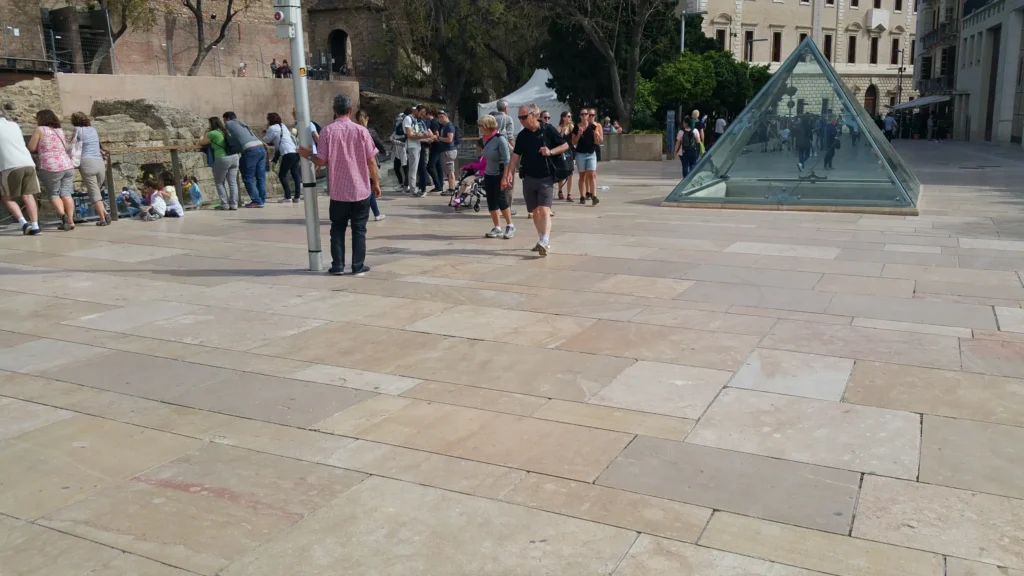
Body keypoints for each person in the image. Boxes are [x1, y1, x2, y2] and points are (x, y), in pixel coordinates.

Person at [299, 94, 380, 276]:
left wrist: (308, 155)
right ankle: (358, 266)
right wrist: (376, 183)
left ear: (334, 111)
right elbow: (371, 161)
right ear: (351, 111)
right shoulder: (361, 131)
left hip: (339, 192)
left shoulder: (327, 132)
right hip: (361, 189)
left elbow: (321, 161)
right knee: (359, 229)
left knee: (337, 229)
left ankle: (338, 266)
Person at [503, 103, 568, 256]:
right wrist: (509, 174)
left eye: (524, 117)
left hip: (546, 177)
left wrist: (550, 151)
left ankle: (545, 240)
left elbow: (565, 145)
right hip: (528, 177)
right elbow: (515, 157)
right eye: (519, 117)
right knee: (534, 211)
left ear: (533, 115)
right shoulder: (523, 135)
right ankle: (542, 239)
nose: (521, 120)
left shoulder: (548, 129)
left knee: (544, 209)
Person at [27, 109, 75, 230]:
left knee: (54, 193)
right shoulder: (59, 130)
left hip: (51, 166)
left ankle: (63, 217)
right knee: (66, 193)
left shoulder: (40, 130)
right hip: (67, 164)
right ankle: (71, 221)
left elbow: (31, 147)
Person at [0, 111, 41, 235]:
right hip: (27, 162)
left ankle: (23, 223)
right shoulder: (14, 125)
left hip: (9, 165)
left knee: (6, 197)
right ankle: (35, 226)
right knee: (28, 195)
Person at [70, 111, 111, 226]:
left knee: (94, 193)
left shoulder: (77, 130)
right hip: (99, 162)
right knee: (96, 191)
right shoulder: (94, 130)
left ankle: (103, 218)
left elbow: (73, 146)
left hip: (87, 162)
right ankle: (104, 212)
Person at [478, 115, 514, 239]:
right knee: (491, 201)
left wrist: (505, 177)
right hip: (488, 174)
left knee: (501, 200)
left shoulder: (500, 139)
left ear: (488, 126)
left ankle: (510, 225)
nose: (480, 128)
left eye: (481, 126)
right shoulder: (485, 139)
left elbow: (507, 160)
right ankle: (497, 227)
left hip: (499, 173)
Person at [222, 111, 267, 207]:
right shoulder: (242, 122)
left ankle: (256, 201)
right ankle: (261, 200)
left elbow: (228, 138)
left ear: (227, 118)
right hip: (261, 147)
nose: (224, 122)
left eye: (224, 120)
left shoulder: (228, 124)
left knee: (248, 177)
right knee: (260, 177)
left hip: (250, 150)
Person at [199, 117, 239, 210]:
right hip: (234, 157)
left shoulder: (212, 133)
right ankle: (234, 204)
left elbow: (202, 142)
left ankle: (225, 204)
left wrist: (204, 133)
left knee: (219, 182)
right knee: (232, 183)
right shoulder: (225, 131)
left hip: (222, 158)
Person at [354, 109, 386, 222]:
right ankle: (376, 214)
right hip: (369, 162)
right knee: (371, 188)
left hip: (356, 164)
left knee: (359, 189)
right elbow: (378, 143)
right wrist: (384, 152)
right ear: (367, 118)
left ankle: (373, 213)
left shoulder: (353, 131)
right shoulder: (369, 131)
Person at [264, 112, 302, 203]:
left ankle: (288, 196)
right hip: (295, 152)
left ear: (270, 120)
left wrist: (266, 131)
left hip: (287, 153)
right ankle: (297, 196)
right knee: (295, 174)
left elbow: (266, 139)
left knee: (282, 175)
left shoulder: (272, 128)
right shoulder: (283, 125)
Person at [572, 108, 603, 206]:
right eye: (583, 114)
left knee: (592, 174)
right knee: (582, 176)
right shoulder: (576, 128)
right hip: (580, 154)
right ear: (580, 116)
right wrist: (579, 134)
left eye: (587, 114)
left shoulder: (593, 126)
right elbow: (573, 142)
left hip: (591, 153)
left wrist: (597, 136)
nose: (585, 116)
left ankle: (594, 196)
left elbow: (599, 141)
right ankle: (582, 196)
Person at [402, 105, 430, 196]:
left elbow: (416, 134)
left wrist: (426, 138)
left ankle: (414, 188)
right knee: (413, 168)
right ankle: (413, 190)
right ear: (416, 111)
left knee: (416, 168)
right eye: (421, 113)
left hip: (417, 145)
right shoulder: (408, 119)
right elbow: (410, 135)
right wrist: (425, 136)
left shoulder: (416, 120)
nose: (421, 116)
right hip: (412, 146)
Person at [437, 110, 459, 194]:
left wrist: (439, 138)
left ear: (446, 116)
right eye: (439, 117)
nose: (440, 119)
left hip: (449, 151)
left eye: (442, 117)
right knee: (448, 170)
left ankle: (451, 189)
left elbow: (450, 139)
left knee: (450, 170)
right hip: (446, 150)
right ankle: (450, 188)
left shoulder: (449, 126)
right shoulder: (444, 126)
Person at [556, 111, 575, 202]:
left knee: (571, 172)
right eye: (568, 116)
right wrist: (562, 133)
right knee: (563, 171)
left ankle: (569, 193)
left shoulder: (571, 127)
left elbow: (575, 139)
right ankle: (560, 191)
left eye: (571, 116)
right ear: (563, 118)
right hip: (562, 152)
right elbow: (557, 141)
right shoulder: (559, 128)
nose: (570, 118)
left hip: (570, 151)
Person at [425, 108, 445, 193]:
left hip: (436, 146)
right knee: (438, 166)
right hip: (438, 146)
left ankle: (438, 185)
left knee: (430, 166)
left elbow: (436, 135)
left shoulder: (433, 122)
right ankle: (440, 184)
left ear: (429, 114)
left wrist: (430, 139)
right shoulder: (436, 122)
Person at [391, 111, 407, 190]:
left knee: (405, 167)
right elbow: (392, 137)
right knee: (396, 167)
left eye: (400, 120)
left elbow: (406, 140)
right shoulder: (397, 128)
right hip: (397, 150)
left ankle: (407, 185)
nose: (398, 121)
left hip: (404, 150)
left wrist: (397, 141)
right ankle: (401, 183)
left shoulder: (406, 128)